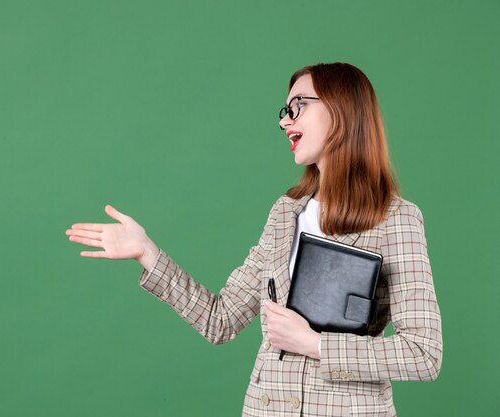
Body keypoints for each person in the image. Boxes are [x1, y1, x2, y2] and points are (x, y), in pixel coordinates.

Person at [65, 62, 443, 416]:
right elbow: (221, 319)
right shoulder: (285, 213)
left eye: (299, 105)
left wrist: (315, 344)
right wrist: (148, 253)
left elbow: (423, 353)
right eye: (285, 111)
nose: (285, 121)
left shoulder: (396, 218)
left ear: (342, 111)